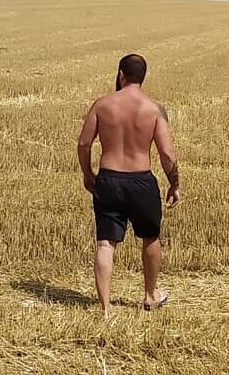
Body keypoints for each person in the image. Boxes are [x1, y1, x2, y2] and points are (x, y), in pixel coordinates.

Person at [76, 53, 179, 317]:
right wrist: (174, 183)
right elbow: (167, 153)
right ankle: (150, 295)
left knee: (105, 244)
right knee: (150, 237)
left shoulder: (102, 105)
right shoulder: (154, 109)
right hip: (141, 181)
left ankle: (105, 308)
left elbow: (84, 143)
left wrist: (88, 174)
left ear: (121, 74)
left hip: (108, 179)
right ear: (142, 77)